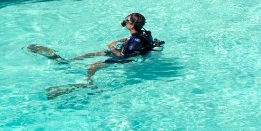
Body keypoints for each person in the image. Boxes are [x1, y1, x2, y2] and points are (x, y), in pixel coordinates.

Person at [28, 12, 162, 97]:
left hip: (126, 59)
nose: (125, 22)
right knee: (92, 53)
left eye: (127, 20)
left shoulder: (135, 41)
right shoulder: (141, 33)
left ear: (132, 25)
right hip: (128, 51)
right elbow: (132, 40)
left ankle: (87, 82)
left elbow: (122, 56)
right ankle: (67, 61)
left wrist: (112, 47)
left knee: (93, 65)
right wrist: (120, 40)